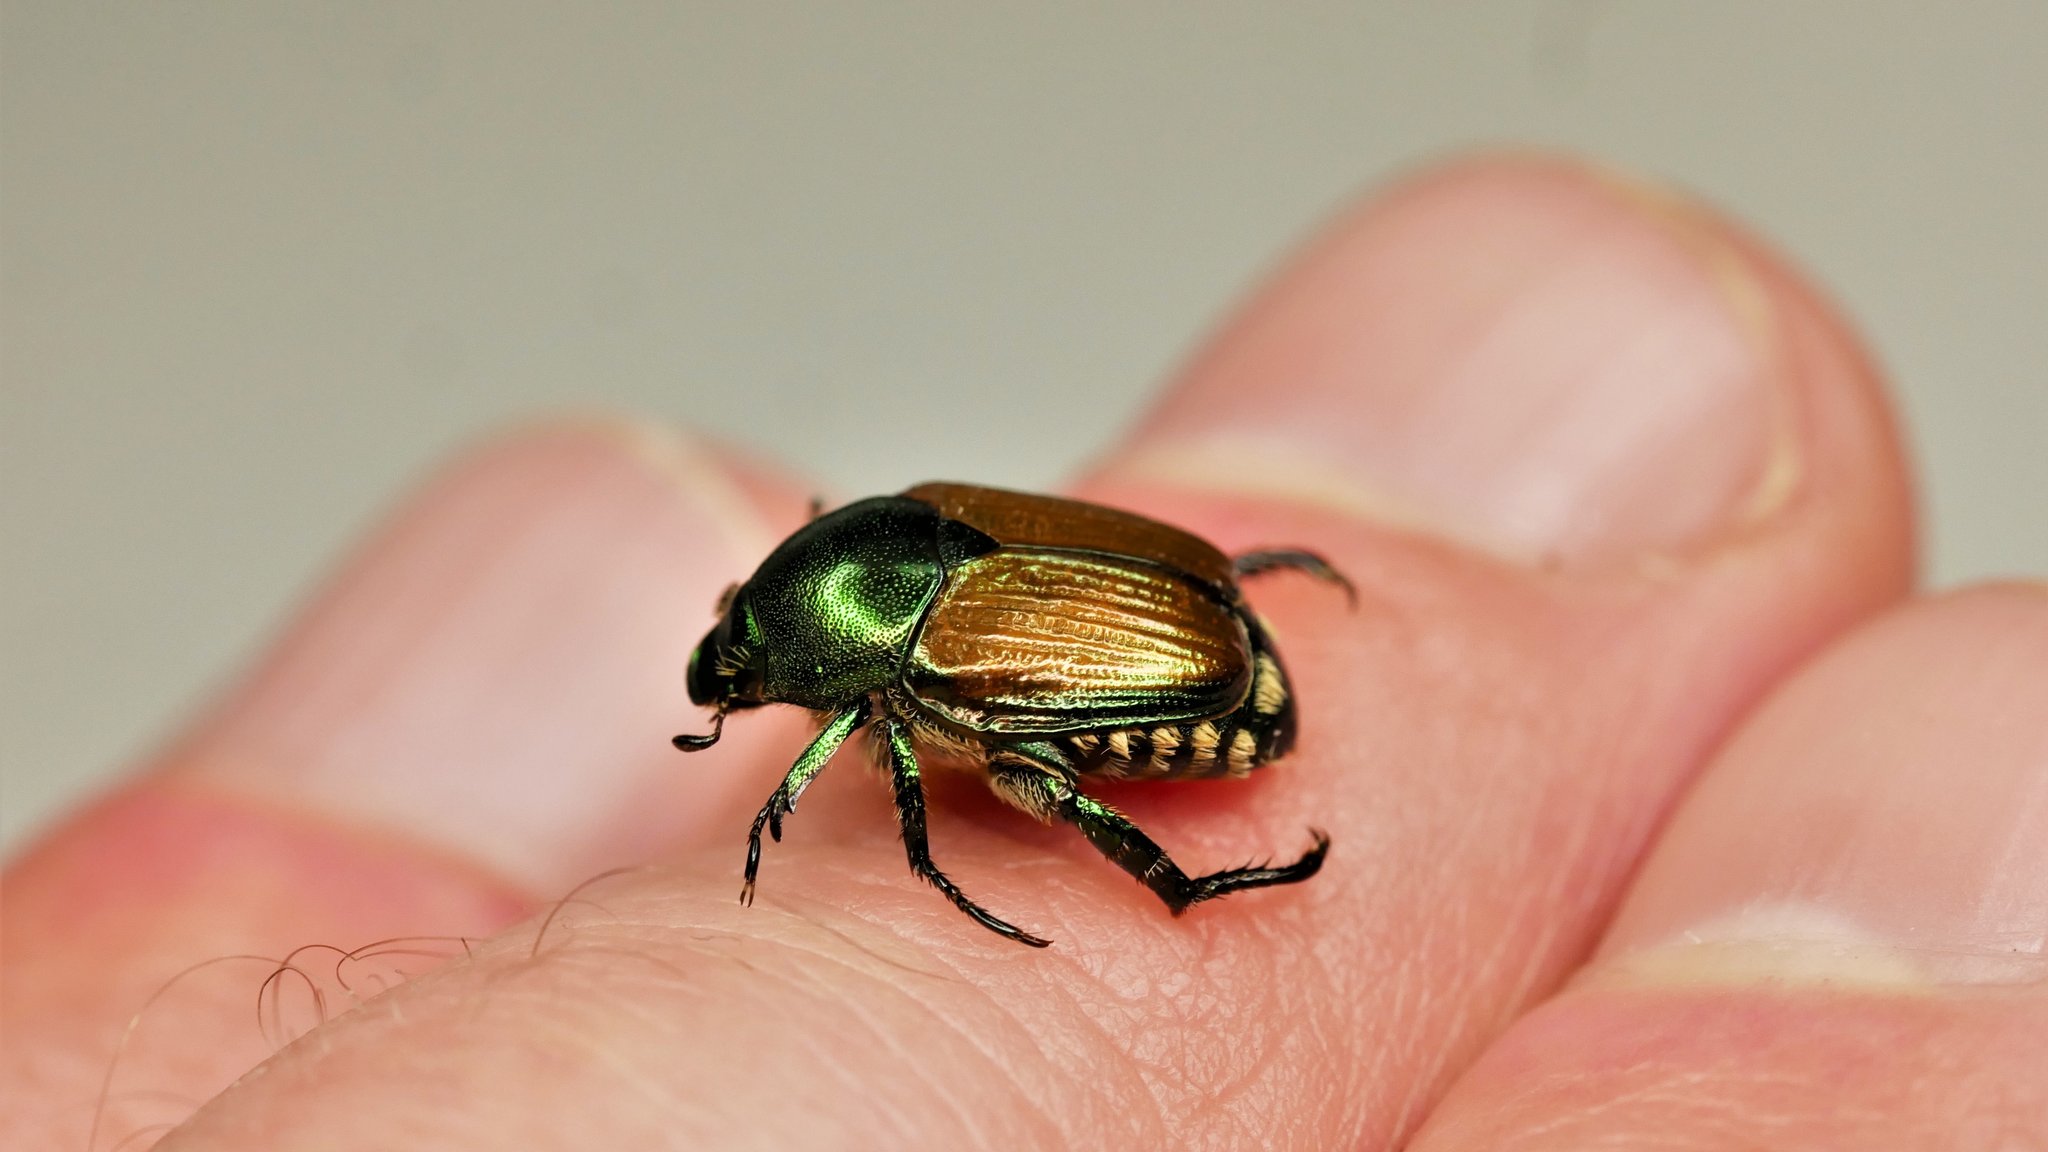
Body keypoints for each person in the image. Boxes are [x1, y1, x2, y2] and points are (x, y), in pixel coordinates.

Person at [6, 155, 2040, 1150]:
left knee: (1014, 791)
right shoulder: (869, 598)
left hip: (1179, 658)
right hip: (1160, 592)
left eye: (758, 666)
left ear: (820, 636)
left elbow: (880, 795)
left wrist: (872, 824)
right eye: (750, 667)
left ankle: (1198, 881)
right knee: (988, 796)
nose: (746, 695)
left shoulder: (885, 696)